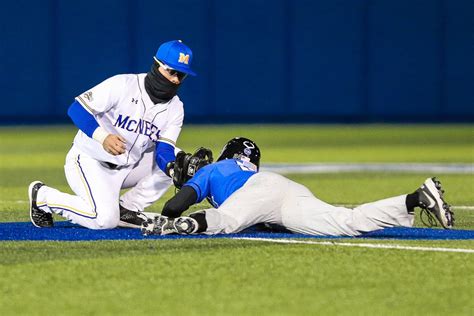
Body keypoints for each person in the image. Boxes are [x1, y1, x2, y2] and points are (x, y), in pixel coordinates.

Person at [28, 40, 197, 230]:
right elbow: (76, 109)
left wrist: (172, 169)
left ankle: (128, 208)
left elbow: (164, 149)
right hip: (90, 161)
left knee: (179, 159)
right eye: (171, 72)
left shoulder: (175, 108)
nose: (175, 79)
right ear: (156, 65)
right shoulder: (123, 84)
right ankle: (43, 197)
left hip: (129, 167)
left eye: (180, 75)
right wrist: (102, 137)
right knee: (104, 221)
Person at [141, 137, 455, 236]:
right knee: (346, 221)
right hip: (285, 189)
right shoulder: (246, 170)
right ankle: (415, 198)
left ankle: (187, 227)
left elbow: (172, 206)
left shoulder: (213, 169)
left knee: (227, 222)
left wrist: (174, 216)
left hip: (254, 195)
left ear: (227, 154)